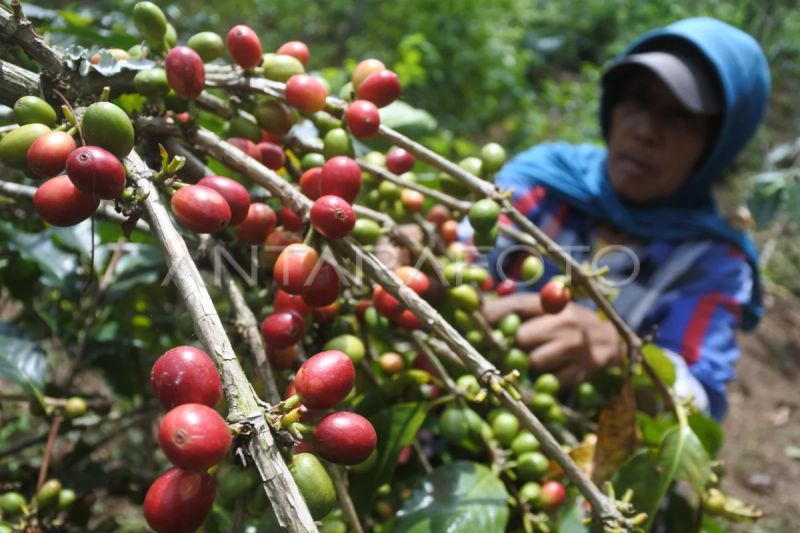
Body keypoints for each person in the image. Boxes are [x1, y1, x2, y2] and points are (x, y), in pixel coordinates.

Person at [460, 17, 770, 421]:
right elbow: (464, 256)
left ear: (716, 146)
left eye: (681, 118)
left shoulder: (712, 264)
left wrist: (629, 358)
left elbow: (702, 404)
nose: (645, 131)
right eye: (637, 100)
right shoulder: (546, 183)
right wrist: (427, 258)